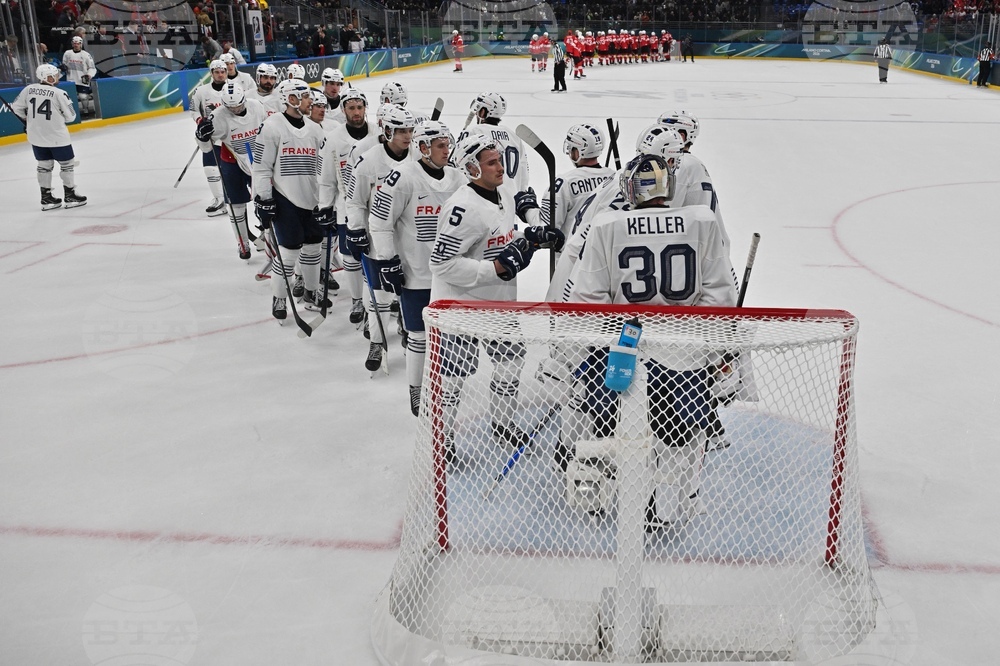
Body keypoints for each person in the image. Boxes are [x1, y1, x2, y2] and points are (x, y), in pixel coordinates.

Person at [566, 153, 736, 531]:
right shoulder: (700, 221)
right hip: (685, 354)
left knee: (620, 431)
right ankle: (665, 509)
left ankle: (614, 500)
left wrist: (628, 333)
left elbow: (586, 301)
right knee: (678, 435)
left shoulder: (608, 224)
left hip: (624, 351)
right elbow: (720, 294)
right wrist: (696, 341)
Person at [428, 134, 564, 463]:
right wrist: (497, 268)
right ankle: (443, 439)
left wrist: (530, 234)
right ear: (472, 167)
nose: (501, 167)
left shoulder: (500, 193)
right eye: (492, 162)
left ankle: (502, 424)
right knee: (454, 378)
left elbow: (501, 232)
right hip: (460, 307)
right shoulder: (461, 208)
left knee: (512, 362)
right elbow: (441, 263)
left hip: (499, 303)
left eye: (500, 160)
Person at [367, 120, 466, 414]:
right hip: (416, 273)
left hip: (452, 273)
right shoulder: (402, 178)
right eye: (440, 146)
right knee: (418, 335)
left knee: (453, 337)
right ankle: (416, 388)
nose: (446, 151)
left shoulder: (458, 179)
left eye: (447, 144)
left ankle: (448, 389)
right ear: (423, 148)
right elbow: (379, 221)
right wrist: (388, 260)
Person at [344, 104, 416, 371]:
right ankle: (377, 340)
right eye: (400, 131)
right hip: (378, 237)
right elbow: (354, 201)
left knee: (410, 289)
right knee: (379, 294)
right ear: (387, 131)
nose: (407, 136)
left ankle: (409, 330)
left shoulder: (418, 156)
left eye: (409, 130)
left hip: (411, 237)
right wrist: (356, 228)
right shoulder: (368, 160)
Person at [252, 79, 329, 321]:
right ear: (292, 100)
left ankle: (311, 291)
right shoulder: (272, 127)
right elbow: (262, 168)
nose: (311, 101)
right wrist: (263, 199)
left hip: (313, 199)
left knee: (314, 247)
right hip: (285, 199)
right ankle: (279, 296)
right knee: (288, 254)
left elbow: (324, 169)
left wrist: (328, 199)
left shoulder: (315, 130)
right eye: (305, 96)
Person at [318, 88, 379, 328]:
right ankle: (357, 300)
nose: (356, 112)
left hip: (377, 206)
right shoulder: (333, 139)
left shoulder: (379, 134)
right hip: (347, 206)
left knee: (378, 254)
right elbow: (326, 179)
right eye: (351, 108)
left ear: (365, 108)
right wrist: (325, 207)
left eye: (360, 107)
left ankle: (382, 297)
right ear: (343, 110)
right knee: (351, 257)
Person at [195, 81, 269, 259]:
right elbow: (206, 147)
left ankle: (269, 237)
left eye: (238, 106)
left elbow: (270, 130)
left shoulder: (257, 107)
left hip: (259, 160)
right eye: (230, 107)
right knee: (236, 204)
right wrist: (201, 136)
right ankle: (242, 243)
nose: (235, 110)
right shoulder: (217, 116)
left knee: (266, 200)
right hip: (232, 161)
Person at [11, 63, 87, 210]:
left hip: (36, 137)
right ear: (47, 77)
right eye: (55, 75)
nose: (57, 77)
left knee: (43, 166)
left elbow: (16, 108)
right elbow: (71, 117)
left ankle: (46, 198)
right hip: (57, 137)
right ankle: (70, 196)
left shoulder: (29, 89)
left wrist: (27, 121)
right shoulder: (59, 93)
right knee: (67, 165)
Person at [459, 91, 530, 202]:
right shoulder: (513, 135)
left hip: (483, 200)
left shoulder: (474, 132)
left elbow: (459, 166)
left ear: (482, 112)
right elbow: (524, 171)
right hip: (511, 202)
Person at [189, 59, 229, 216]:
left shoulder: (233, 89)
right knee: (210, 168)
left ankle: (230, 197)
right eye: (217, 72)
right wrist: (200, 122)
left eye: (223, 72)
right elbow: (194, 110)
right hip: (210, 137)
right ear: (211, 73)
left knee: (229, 170)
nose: (220, 75)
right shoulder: (201, 91)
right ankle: (219, 199)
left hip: (229, 136)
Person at [61, 35, 96, 116]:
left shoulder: (86, 55)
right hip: (70, 79)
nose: (76, 45)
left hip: (82, 80)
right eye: (74, 43)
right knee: (70, 98)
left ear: (81, 44)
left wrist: (89, 75)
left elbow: (92, 68)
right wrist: (63, 68)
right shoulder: (67, 53)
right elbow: (64, 65)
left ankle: (85, 111)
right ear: (72, 44)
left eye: (78, 43)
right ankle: (72, 113)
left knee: (83, 97)